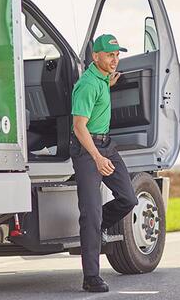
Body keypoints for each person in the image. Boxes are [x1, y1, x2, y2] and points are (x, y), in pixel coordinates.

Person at [70, 34, 138, 292]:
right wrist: (97, 158)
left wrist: (107, 84)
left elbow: (98, 98)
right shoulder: (87, 84)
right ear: (95, 56)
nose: (115, 59)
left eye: (117, 54)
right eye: (109, 55)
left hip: (106, 145)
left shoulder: (101, 80)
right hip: (88, 150)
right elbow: (79, 126)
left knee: (128, 198)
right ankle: (91, 278)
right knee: (91, 212)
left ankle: (95, 232)